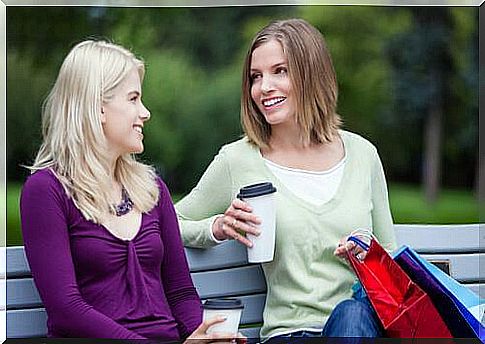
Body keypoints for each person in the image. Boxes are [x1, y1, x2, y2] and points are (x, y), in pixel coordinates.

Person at [176, 18, 397, 341]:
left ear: (312, 74)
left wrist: (370, 256)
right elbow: (168, 221)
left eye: (280, 71)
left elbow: (392, 264)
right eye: (256, 76)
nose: (264, 87)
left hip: (363, 326)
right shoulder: (238, 160)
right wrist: (216, 228)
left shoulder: (362, 154)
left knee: (351, 314)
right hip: (292, 332)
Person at [20, 40, 239, 342]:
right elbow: (66, 310)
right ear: (97, 108)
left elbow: (181, 292)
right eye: (133, 98)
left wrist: (200, 336)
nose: (145, 112)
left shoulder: (152, 189)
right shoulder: (46, 191)